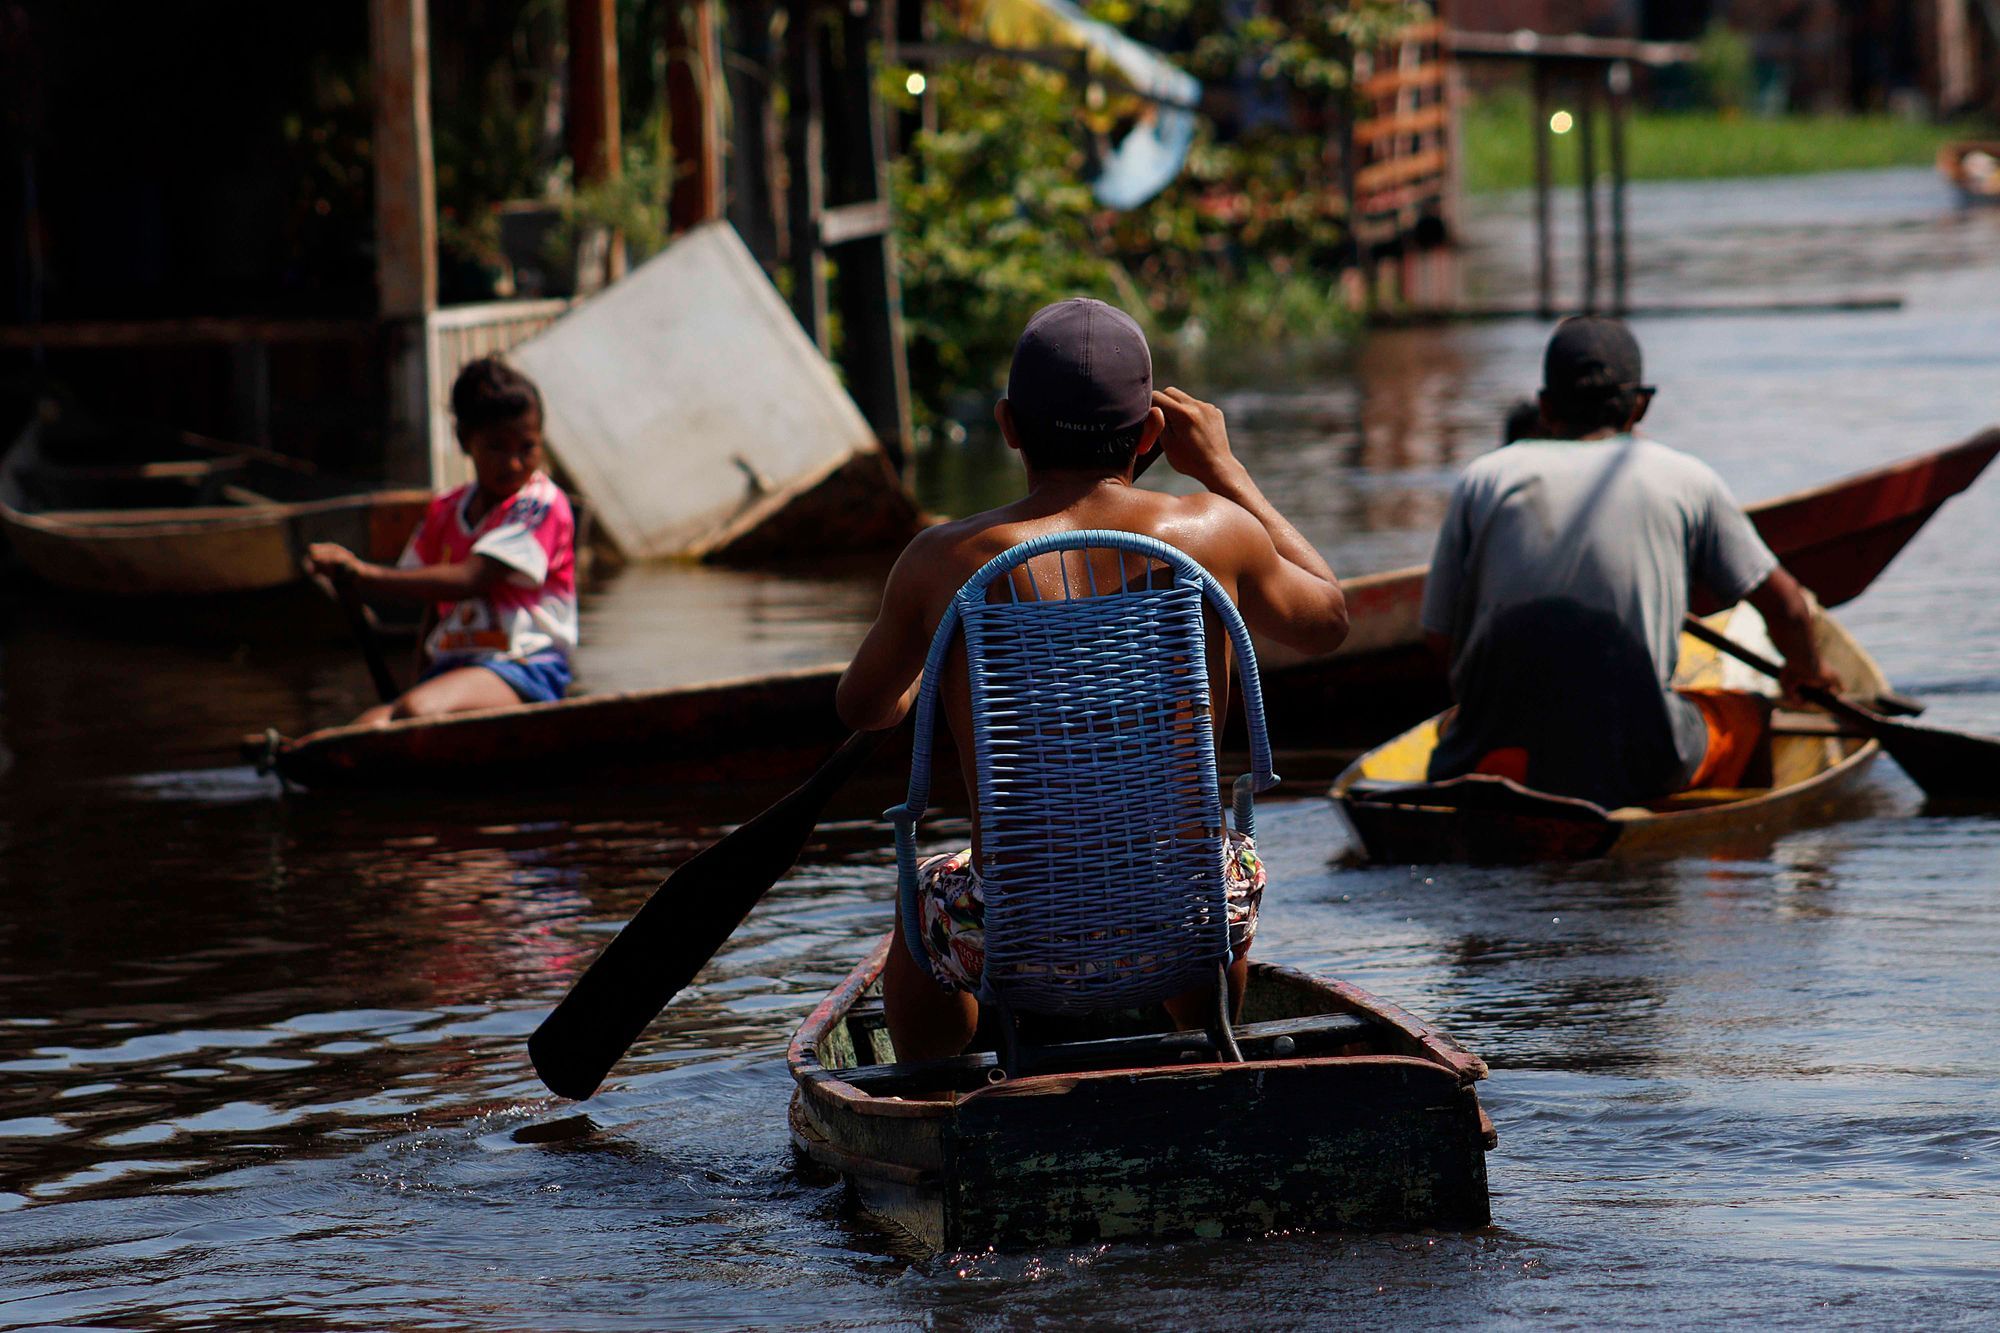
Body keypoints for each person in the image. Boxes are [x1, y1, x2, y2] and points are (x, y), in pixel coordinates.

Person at [835, 298, 1349, 1061]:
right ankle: (1208, 1049)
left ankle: (931, 1099)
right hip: (1187, 914)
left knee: (923, 895)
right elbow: (1329, 618)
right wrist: (1223, 470)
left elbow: (865, 705)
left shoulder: (943, 562)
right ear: (1149, 436)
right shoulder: (1215, 533)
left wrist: (922, 668)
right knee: (1213, 856)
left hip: (1015, 925)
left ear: (1009, 427)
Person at [1421, 316, 1838, 808]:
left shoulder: (1484, 478)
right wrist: (1807, 673)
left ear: (1547, 407)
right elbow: (1789, 609)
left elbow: (1439, 638)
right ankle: (1732, 859)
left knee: (1468, 728)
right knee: (1748, 716)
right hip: (1638, 759)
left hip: (1493, 751)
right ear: (1641, 405)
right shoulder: (1687, 478)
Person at [305, 357, 578, 725]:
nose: (514, 464)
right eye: (498, 447)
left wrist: (362, 574)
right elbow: (432, 608)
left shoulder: (540, 504)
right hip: (453, 669)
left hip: (525, 668)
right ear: (467, 441)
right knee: (372, 723)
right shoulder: (445, 510)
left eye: (526, 447)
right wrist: (418, 679)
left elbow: (472, 579)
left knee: (416, 712)